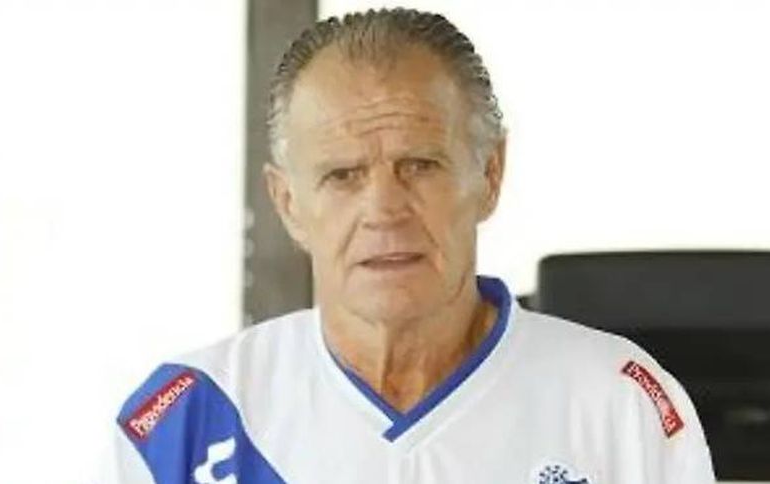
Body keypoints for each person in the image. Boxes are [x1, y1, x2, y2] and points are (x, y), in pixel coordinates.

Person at [101, 8, 715, 484]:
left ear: (490, 174)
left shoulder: (620, 405)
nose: (384, 209)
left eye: (420, 165)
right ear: (287, 203)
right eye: (343, 175)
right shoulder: (185, 419)